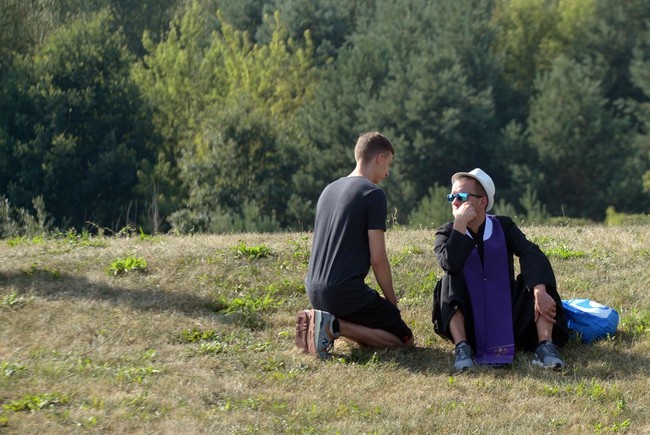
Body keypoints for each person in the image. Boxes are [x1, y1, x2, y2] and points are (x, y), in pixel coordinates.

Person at [431, 168, 569, 372]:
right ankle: (462, 347)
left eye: (461, 196)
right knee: (448, 279)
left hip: (507, 313)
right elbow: (450, 263)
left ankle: (545, 346)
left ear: (482, 202)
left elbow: (531, 253)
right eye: (452, 197)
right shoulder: (447, 232)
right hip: (470, 320)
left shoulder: (503, 227)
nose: (455, 202)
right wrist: (460, 224)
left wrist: (539, 290)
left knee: (537, 280)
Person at [295, 132, 415, 359]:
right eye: (388, 164)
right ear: (379, 158)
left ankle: (320, 321)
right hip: (344, 292)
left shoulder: (328, 190)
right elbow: (378, 258)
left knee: (370, 335)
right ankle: (334, 326)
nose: (387, 173)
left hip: (314, 290)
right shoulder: (373, 194)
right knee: (404, 340)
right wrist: (392, 303)